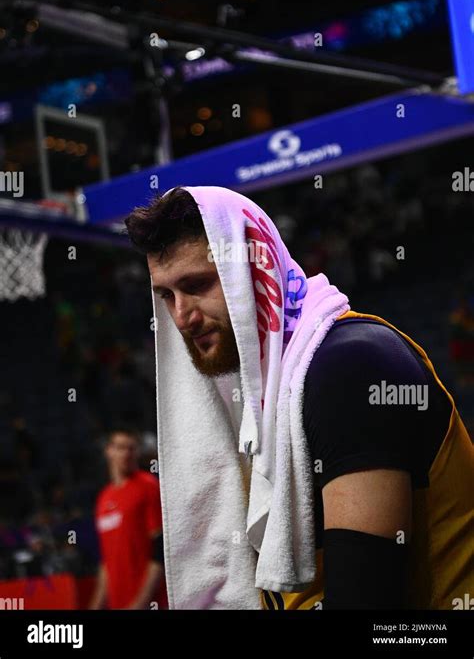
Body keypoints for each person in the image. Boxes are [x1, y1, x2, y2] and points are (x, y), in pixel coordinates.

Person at [125, 186, 473, 610]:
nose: (182, 316)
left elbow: (366, 603)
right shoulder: (263, 396)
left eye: (196, 285)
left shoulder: (351, 367)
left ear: (255, 272)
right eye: (166, 296)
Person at [89, 428, 166, 610]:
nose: (126, 453)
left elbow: (159, 551)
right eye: (121, 447)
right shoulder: (103, 498)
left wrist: (140, 604)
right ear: (108, 450)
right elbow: (106, 563)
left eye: (132, 448)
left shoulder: (148, 487)